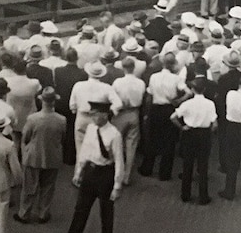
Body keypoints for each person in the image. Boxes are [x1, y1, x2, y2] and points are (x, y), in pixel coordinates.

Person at [55, 101, 123, 233]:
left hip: (105, 173)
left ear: (105, 115)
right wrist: (78, 172)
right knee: (80, 209)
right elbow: (85, 150)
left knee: (105, 211)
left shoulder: (115, 135)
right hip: (90, 172)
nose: (92, 116)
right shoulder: (91, 129)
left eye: (95, 114)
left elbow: (119, 161)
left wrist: (117, 185)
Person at [15, 87, 66, 224]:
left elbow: (26, 137)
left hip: (34, 156)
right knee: (48, 186)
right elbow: (62, 137)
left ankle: (24, 213)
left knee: (29, 186)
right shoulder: (61, 119)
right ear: (54, 102)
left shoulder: (33, 119)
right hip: (52, 156)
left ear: (42, 101)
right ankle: (43, 213)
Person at [139, 53, 189, 181]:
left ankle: (147, 167)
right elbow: (188, 92)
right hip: (169, 109)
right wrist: (179, 100)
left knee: (152, 138)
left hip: (155, 109)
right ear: (173, 65)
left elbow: (149, 94)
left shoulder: (154, 77)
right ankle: (164, 173)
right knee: (169, 141)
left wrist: (147, 112)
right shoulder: (176, 79)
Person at [170, 77, 217, 204]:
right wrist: (208, 132)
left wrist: (182, 127)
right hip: (204, 134)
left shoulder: (187, 104)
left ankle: (185, 194)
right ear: (205, 89)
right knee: (203, 166)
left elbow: (173, 117)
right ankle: (203, 196)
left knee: (187, 164)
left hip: (189, 134)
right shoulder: (210, 104)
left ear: (192, 89)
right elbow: (215, 124)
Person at [69, 62, 122, 155]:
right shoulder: (106, 87)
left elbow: (72, 105)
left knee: (80, 147)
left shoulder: (78, 85)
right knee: (96, 147)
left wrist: (75, 110)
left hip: (82, 117)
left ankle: (79, 168)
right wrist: (108, 113)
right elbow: (118, 104)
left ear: (88, 73)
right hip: (98, 119)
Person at [111, 57, 146, 185]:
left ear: (123, 68)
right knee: (131, 146)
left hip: (120, 114)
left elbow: (113, 98)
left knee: (116, 144)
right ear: (134, 68)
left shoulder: (117, 82)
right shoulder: (140, 83)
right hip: (134, 113)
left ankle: (116, 173)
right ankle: (127, 176)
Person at [53, 49, 88, 165]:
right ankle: (70, 156)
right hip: (75, 104)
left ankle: (61, 153)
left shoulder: (58, 71)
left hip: (61, 103)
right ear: (77, 58)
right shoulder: (83, 73)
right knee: (72, 130)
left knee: (62, 130)